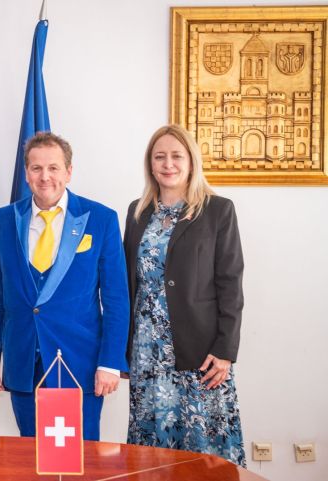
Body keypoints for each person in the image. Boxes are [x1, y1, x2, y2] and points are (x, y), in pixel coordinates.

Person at [0, 132, 129, 440]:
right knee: (30, 460)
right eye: (36, 168)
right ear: (26, 173)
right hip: (23, 362)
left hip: (79, 364)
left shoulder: (101, 219)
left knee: (80, 462)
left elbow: (116, 299)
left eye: (53, 168)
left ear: (69, 171)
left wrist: (111, 363)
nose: (44, 176)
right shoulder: (6, 219)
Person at [124, 124, 245, 466]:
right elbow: (128, 283)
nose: (168, 164)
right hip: (147, 353)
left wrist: (225, 350)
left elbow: (230, 283)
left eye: (177, 156)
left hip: (201, 352)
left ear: (191, 161)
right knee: (152, 446)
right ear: (150, 164)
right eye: (159, 156)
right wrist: (124, 347)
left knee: (204, 448)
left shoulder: (218, 210)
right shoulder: (137, 212)